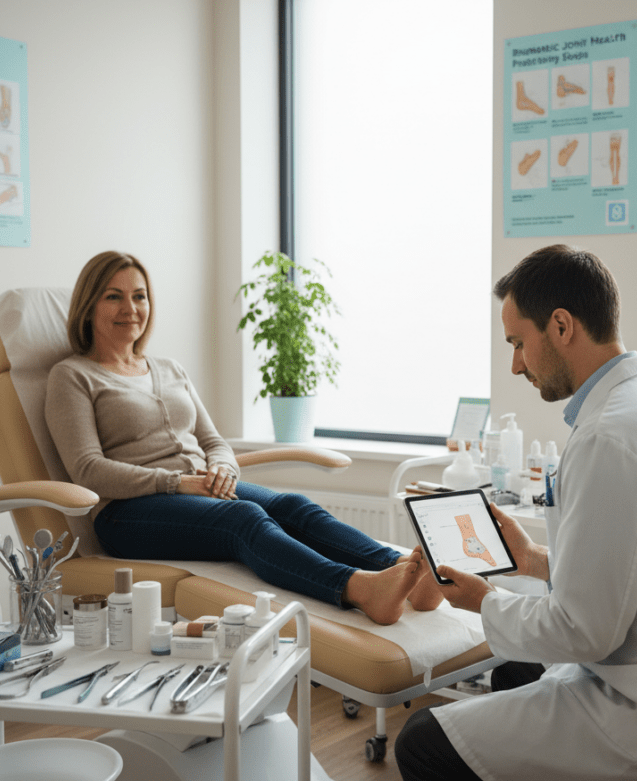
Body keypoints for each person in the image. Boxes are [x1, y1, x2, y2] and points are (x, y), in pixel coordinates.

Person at [395, 244, 637, 781]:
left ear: (562, 325)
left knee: (422, 743)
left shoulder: (610, 436)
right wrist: (534, 562)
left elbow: (587, 632)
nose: (517, 364)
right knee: (515, 673)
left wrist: (483, 601)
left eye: (519, 343)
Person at [45, 250, 442, 626]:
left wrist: (221, 468)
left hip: (199, 489)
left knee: (293, 505)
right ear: (89, 305)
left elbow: (213, 439)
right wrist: (178, 482)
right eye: (114, 296)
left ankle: (403, 569)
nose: (130, 309)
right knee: (243, 519)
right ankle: (356, 589)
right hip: (128, 512)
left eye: (139, 296)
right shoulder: (73, 376)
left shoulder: (168, 368)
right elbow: (88, 469)